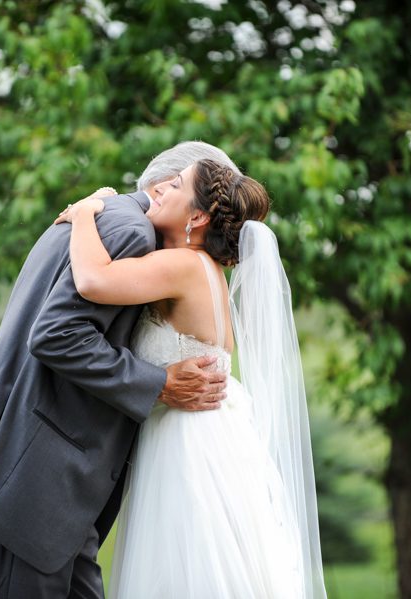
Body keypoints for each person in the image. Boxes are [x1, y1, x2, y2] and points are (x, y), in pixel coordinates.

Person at [0, 142, 243, 598]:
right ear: (162, 188)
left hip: (49, 471)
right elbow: (56, 334)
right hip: (39, 473)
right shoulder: (130, 233)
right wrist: (159, 384)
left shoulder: (100, 218)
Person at [55, 159, 327, 598]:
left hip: (189, 442)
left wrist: (86, 211)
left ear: (197, 217)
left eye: (175, 184)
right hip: (209, 431)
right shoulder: (205, 270)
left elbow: (91, 280)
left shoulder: (184, 265)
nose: (160, 188)